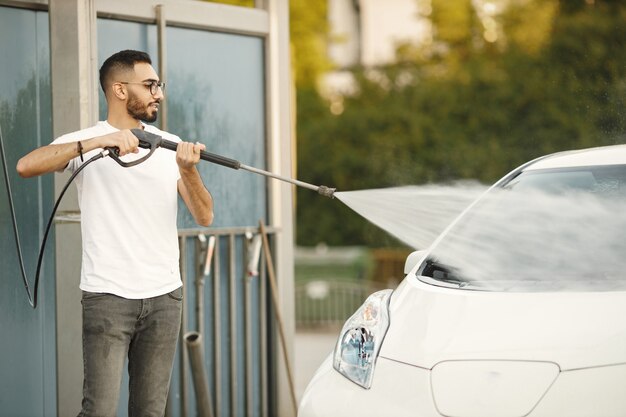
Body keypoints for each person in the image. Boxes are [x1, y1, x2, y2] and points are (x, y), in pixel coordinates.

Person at [16, 49, 213, 417]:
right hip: (107, 298)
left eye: (159, 85)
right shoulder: (85, 139)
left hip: (164, 298)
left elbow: (204, 216)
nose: (159, 93)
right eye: (150, 85)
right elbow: (26, 166)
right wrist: (98, 142)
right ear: (120, 90)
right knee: (99, 412)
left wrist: (188, 170)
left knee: (150, 413)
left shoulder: (170, 144)